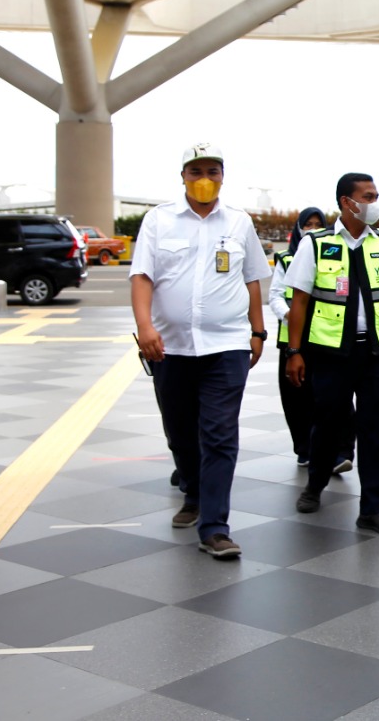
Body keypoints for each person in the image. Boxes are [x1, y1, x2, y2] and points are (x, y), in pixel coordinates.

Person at [130, 144, 271, 559]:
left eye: (212, 170)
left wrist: (257, 332)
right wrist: (145, 328)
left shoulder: (239, 223)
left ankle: (215, 526)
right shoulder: (159, 219)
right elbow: (141, 277)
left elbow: (252, 280)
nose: (204, 178)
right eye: (196, 171)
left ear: (223, 176)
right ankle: (191, 489)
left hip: (226, 345)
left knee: (220, 434)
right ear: (183, 176)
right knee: (180, 430)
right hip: (169, 348)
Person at [284, 173, 379, 535]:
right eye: (368, 196)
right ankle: (314, 486)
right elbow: (300, 300)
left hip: (374, 354)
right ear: (347, 202)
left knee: (374, 431)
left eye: (375, 195)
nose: (375, 202)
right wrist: (295, 351)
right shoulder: (316, 244)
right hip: (329, 354)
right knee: (326, 423)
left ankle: (373, 507)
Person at [269, 207, 326, 466]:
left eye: (317, 224)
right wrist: (290, 316)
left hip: (322, 337)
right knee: (294, 398)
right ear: (299, 227)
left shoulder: (329, 255)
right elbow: (275, 295)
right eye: (308, 224)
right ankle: (303, 447)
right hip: (291, 340)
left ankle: (324, 448)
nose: (312, 229)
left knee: (321, 395)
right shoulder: (285, 258)